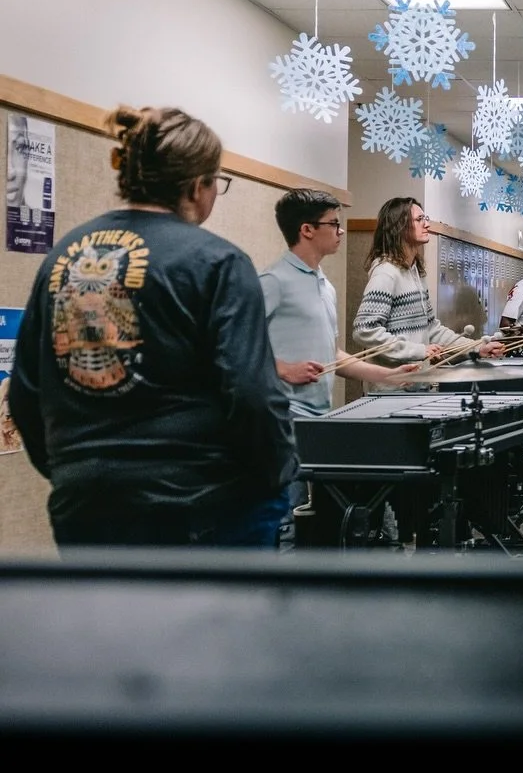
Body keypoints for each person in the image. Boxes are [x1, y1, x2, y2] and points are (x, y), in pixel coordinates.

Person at [8, 105, 296, 547]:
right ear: (197, 184)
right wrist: (277, 474)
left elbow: (25, 392)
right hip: (203, 508)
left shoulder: (63, 257)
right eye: (217, 183)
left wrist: (73, 474)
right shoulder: (218, 262)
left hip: (85, 507)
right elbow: (252, 393)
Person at [259, 190, 420, 533]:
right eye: (334, 223)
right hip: (281, 418)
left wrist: (388, 375)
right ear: (307, 229)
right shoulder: (274, 282)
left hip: (318, 418)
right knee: (284, 522)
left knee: (319, 521)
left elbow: (333, 356)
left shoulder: (325, 286)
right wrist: (283, 369)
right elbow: (237, 347)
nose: (341, 230)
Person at [354, 198, 496, 365]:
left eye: (425, 218)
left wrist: (477, 347)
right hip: (392, 379)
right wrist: (418, 350)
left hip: (417, 377)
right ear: (399, 226)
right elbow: (364, 330)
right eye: (419, 219)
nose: (427, 224)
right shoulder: (386, 273)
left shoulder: (415, 272)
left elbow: (431, 329)